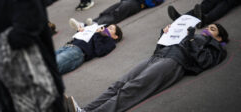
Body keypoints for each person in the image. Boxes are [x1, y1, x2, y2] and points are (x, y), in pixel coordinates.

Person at [68, 23, 229, 112]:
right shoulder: (193, 35)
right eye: (207, 27)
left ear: (219, 37)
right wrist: (165, 33)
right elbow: (162, 45)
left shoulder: (216, 46)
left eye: (212, 29)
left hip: (174, 61)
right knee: (118, 84)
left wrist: (192, 40)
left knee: (133, 88)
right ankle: (84, 110)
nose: (207, 29)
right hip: (159, 55)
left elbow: (204, 60)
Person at [56, 24, 123, 75]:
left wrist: (98, 34)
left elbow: (100, 51)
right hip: (67, 46)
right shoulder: (97, 32)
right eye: (107, 27)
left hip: (77, 52)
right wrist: (81, 30)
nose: (106, 29)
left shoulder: (110, 41)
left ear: (115, 36)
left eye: (110, 29)